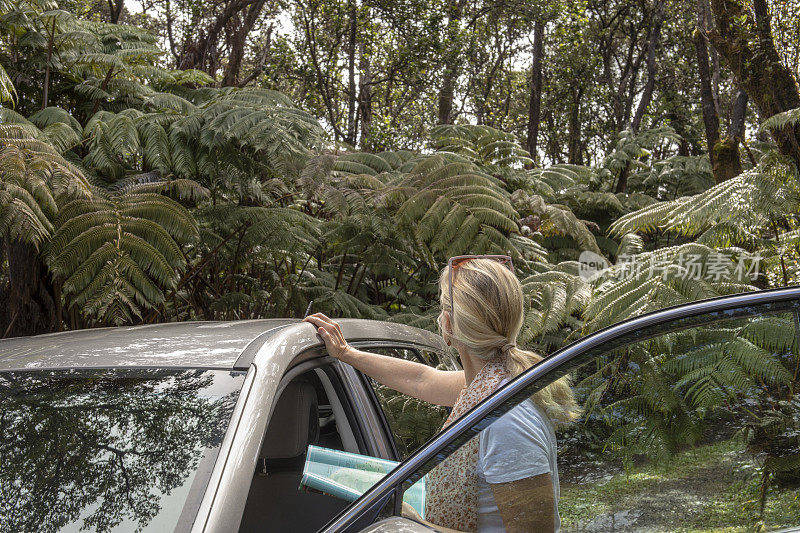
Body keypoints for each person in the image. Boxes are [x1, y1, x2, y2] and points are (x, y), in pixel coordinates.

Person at [304, 256, 580, 532]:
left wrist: (414, 524)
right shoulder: (490, 384)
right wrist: (346, 354)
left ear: (447, 325)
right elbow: (421, 379)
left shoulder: (506, 421)